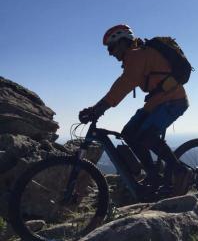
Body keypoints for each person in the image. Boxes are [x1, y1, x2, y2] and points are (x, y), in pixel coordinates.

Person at [79, 24, 191, 196]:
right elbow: (122, 84)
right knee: (129, 133)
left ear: (123, 42)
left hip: (173, 101)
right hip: (157, 102)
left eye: (111, 47)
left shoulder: (137, 56)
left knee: (147, 136)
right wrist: (98, 108)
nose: (110, 52)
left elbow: (121, 87)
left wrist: (97, 109)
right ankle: (154, 175)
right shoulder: (136, 57)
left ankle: (180, 172)